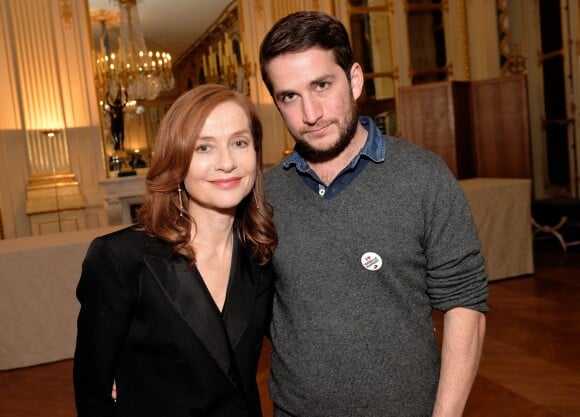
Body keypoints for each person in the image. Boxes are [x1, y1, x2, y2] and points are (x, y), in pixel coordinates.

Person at [259, 11, 488, 417]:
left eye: (322, 85)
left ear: (355, 79)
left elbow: (464, 303)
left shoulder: (424, 176)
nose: (310, 113)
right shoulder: (264, 195)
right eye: (289, 96)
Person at [73, 84, 277, 417]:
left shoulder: (261, 254)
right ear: (176, 160)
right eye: (204, 147)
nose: (227, 163)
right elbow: (93, 395)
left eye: (239, 142)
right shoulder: (121, 259)